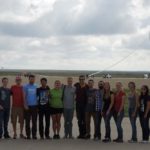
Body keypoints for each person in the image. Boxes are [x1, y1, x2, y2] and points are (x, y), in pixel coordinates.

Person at [23, 75, 38, 139]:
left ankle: (34, 135)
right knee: (27, 121)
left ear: (34, 79)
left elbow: (38, 96)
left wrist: (38, 106)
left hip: (34, 106)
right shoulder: (25, 86)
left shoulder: (36, 86)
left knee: (34, 122)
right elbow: (24, 96)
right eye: (31, 79)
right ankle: (28, 135)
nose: (32, 80)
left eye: (33, 79)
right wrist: (25, 105)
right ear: (29, 79)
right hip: (27, 106)